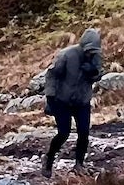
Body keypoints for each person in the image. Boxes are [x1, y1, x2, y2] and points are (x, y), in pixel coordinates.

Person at [40, 27, 103, 176]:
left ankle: (79, 164)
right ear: (83, 46)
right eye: (88, 50)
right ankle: (48, 158)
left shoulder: (96, 57)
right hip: (62, 100)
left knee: (84, 132)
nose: (90, 54)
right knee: (64, 132)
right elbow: (52, 75)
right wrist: (50, 98)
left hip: (82, 100)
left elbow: (99, 74)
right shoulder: (67, 55)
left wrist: (93, 72)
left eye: (93, 51)